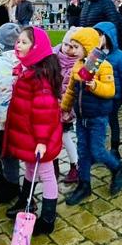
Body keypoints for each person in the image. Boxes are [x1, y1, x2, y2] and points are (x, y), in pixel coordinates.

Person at [3, 27, 63, 234]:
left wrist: (42, 141)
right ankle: (25, 200)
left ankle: (48, 217)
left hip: (39, 138)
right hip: (29, 135)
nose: (18, 45)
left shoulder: (40, 78)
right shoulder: (27, 70)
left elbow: (45, 113)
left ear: (36, 48)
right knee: (30, 167)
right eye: (18, 41)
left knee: (46, 174)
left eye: (24, 42)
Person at [60, 27, 122, 204]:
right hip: (81, 117)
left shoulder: (104, 66)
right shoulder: (78, 66)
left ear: (88, 47)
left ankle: (117, 168)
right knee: (82, 151)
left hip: (97, 116)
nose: (72, 50)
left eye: (76, 47)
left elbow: (110, 90)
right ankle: (84, 185)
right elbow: (71, 90)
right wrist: (65, 107)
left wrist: (95, 85)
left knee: (97, 150)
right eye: (71, 46)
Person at [0, 23, 22, 205]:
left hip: (4, 117)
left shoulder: (4, 64)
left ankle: (12, 184)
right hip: (0, 117)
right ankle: (2, 176)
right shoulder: (11, 60)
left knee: (7, 153)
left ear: (0, 44)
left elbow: (6, 90)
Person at [95, 21, 122, 158]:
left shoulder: (120, 56)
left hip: (114, 96)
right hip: (98, 93)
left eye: (100, 35)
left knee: (113, 120)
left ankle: (115, 147)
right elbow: (89, 71)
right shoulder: (95, 54)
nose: (97, 38)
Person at [54, 30, 81, 183]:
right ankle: (54, 164)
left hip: (66, 108)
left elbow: (73, 91)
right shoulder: (54, 57)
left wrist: (66, 108)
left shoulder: (78, 64)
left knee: (65, 137)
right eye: (65, 44)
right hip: (51, 105)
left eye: (72, 46)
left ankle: (74, 165)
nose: (67, 49)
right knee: (51, 138)